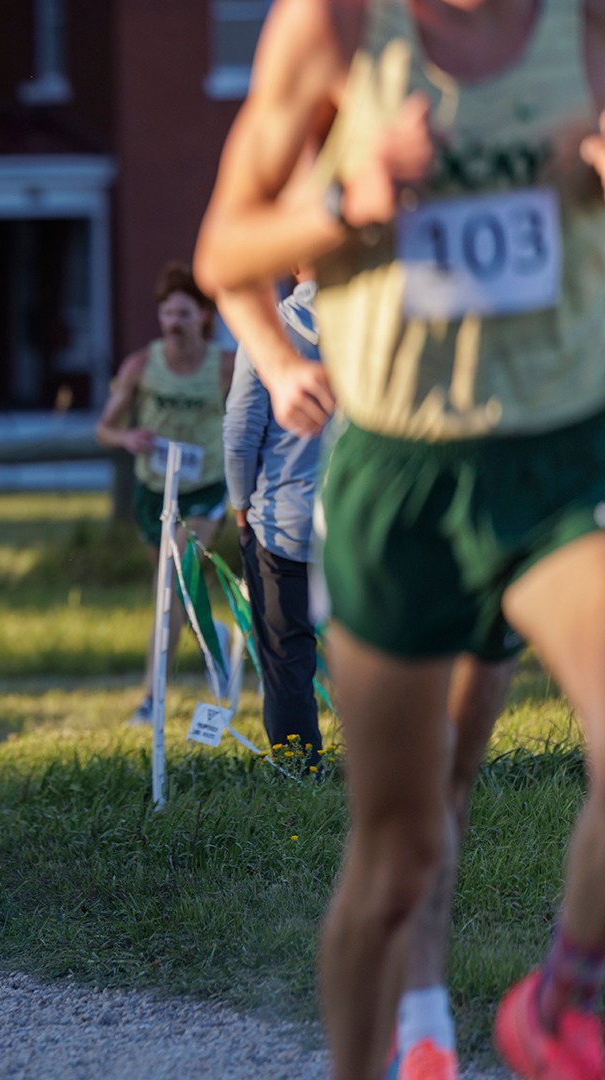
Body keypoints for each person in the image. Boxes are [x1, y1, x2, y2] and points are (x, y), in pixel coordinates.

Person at [194, 1, 605, 1076]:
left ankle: (567, 995)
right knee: (401, 849)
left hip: (558, 456)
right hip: (406, 476)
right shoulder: (334, 27)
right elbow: (225, 246)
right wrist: (351, 198)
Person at [94, 263, 234, 724]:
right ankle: (210, 633)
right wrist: (128, 438)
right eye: (167, 314)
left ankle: (152, 699)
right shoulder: (141, 365)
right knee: (173, 593)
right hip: (155, 489)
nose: (173, 323)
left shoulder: (224, 367)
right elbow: (105, 429)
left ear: (205, 317)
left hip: (204, 486)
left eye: (184, 314)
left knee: (171, 586)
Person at [223, 272, 326, 758]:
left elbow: (241, 432)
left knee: (286, 661)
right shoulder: (382, 320)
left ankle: (297, 770)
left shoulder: (268, 332)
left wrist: (241, 506)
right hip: (362, 517)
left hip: (283, 520)